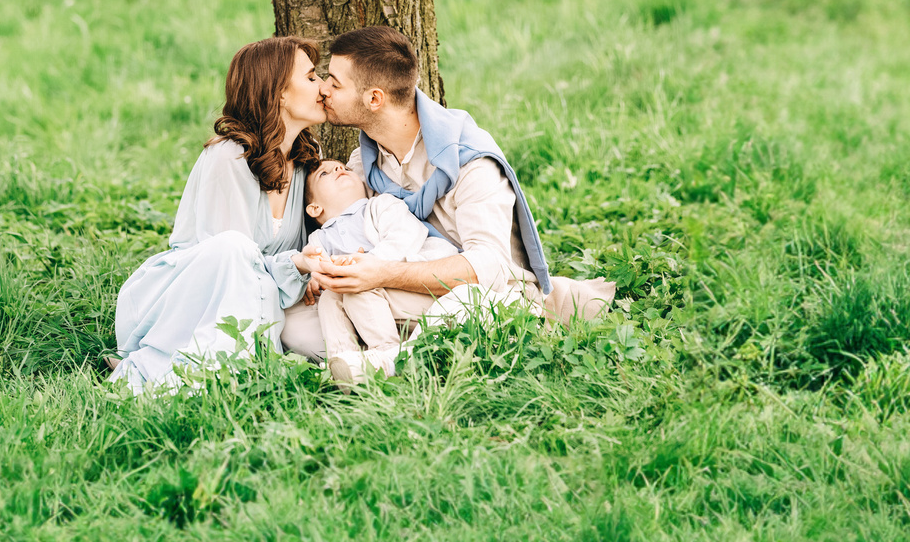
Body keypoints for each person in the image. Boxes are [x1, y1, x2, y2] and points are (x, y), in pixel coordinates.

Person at [281, 26, 614, 361]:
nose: (323, 89)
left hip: (484, 294)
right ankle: (383, 353)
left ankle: (389, 361)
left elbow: (490, 265)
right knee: (295, 323)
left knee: (469, 305)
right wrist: (325, 268)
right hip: (400, 293)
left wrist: (382, 271)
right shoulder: (365, 161)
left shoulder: (470, 162)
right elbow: (348, 223)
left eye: (335, 83)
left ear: (374, 99)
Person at [109, 35, 327, 392]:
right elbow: (233, 271)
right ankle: (158, 371)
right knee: (234, 249)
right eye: (310, 77)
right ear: (279, 93)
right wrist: (297, 268)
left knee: (320, 341)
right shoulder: (230, 158)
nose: (322, 87)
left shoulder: (306, 156)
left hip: (266, 296)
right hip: (192, 298)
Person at [297, 157, 461, 384]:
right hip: (377, 301)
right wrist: (314, 279)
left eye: (343, 167)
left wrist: (367, 264)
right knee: (330, 298)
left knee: (357, 287)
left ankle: (388, 357)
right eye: (324, 174)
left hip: (421, 291)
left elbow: (405, 236)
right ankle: (344, 361)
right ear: (315, 208)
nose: (338, 168)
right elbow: (315, 265)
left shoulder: (379, 205)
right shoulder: (318, 239)